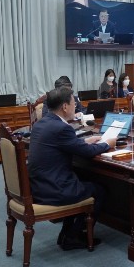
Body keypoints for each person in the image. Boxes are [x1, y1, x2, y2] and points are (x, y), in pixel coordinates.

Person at [28, 87, 116, 250]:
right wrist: (106, 144)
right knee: (99, 190)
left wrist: (85, 142)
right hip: (54, 189)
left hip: (38, 185)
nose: (76, 107)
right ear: (65, 107)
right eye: (74, 103)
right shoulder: (62, 128)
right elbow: (88, 153)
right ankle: (72, 235)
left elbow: (67, 144)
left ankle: (66, 233)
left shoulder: (42, 123)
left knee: (82, 180)